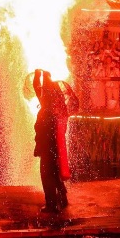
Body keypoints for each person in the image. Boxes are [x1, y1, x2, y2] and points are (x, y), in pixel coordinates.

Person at [33, 69, 70, 213]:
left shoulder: (46, 107)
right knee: (55, 172)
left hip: (47, 147)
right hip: (55, 147)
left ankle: (51, 204)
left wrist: (38, 75)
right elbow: (38, 88)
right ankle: (62, 198)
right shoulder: (58, 107)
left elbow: (37, 88)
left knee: (47, 174)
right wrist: (43, 76)